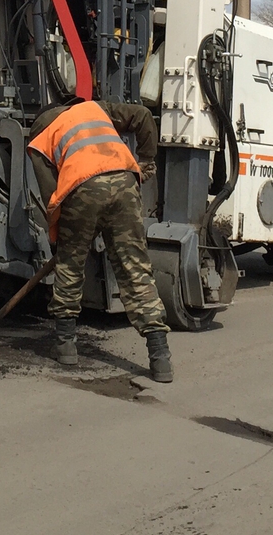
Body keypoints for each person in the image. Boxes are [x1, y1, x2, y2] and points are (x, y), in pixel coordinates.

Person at [26, 97, 172, 382]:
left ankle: (66, 346)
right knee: (135, 269)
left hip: (83, 189)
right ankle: (160, 357)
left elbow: (51, 199)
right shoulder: (95, 109)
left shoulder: (39, 139)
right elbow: (142, 115)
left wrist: (66, 241)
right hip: (126, 182)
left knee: (70, 267)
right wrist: (147, 160)